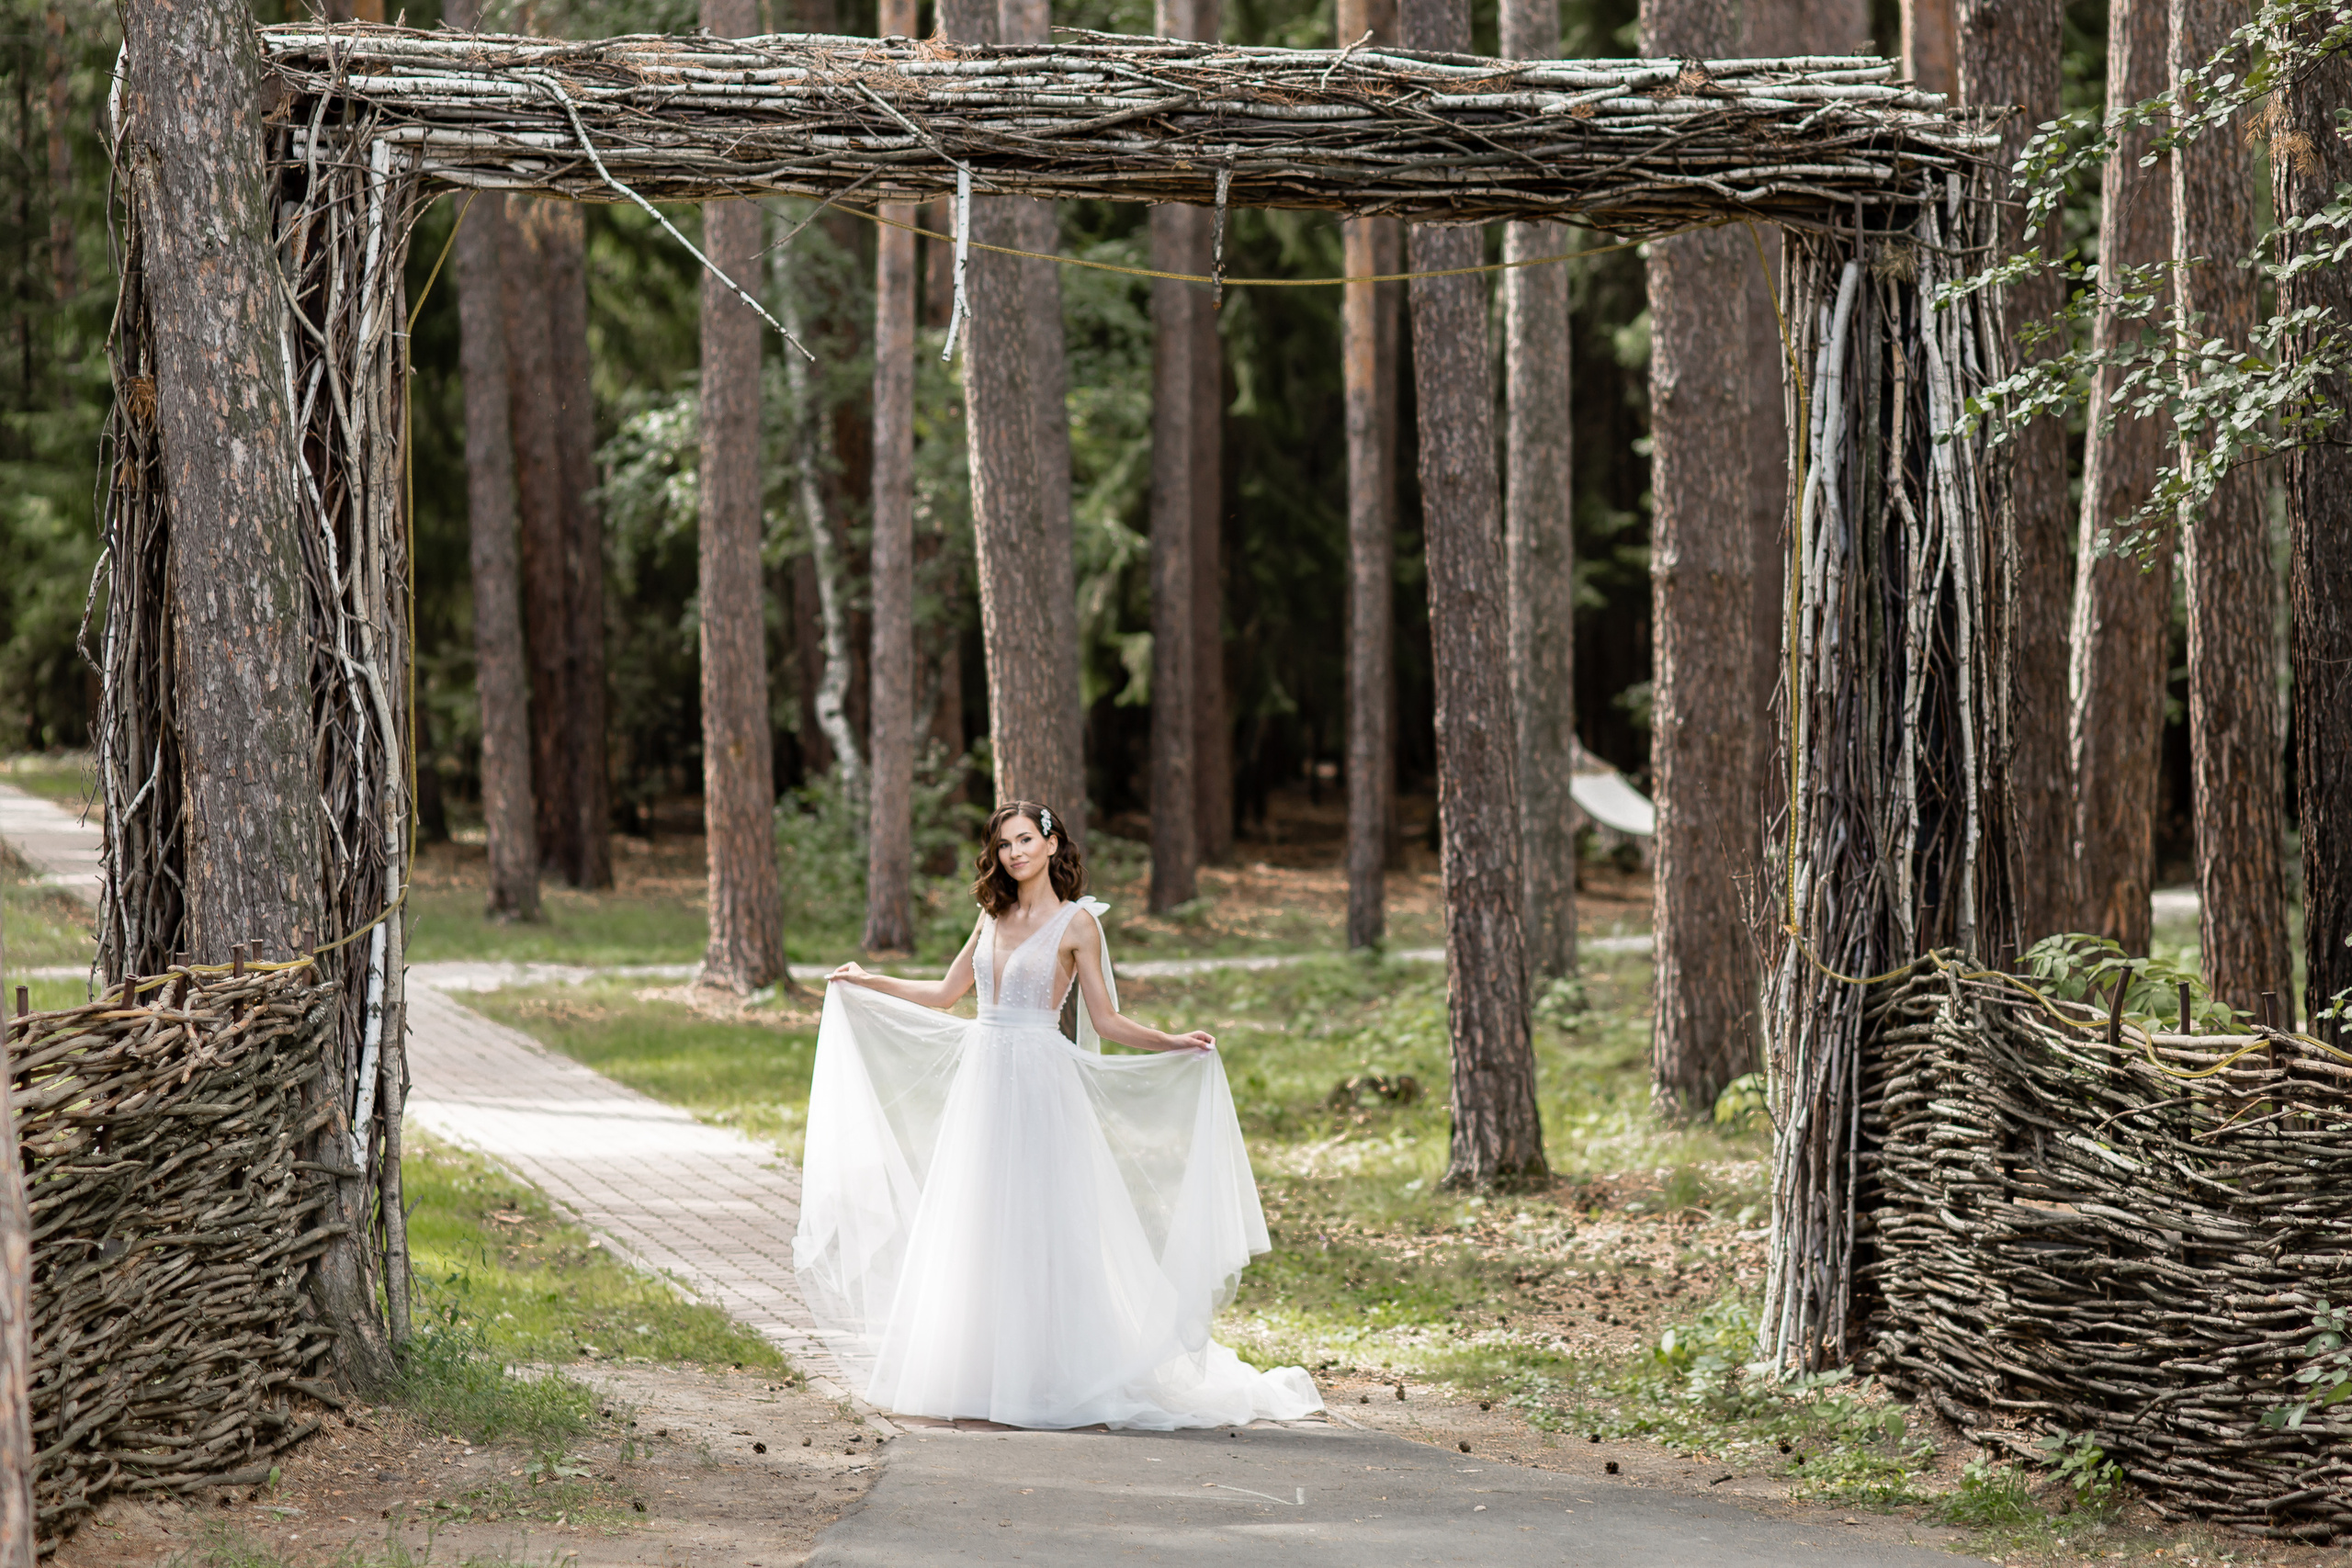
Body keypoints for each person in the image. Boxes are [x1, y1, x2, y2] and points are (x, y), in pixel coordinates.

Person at [794, 800, 1323, 1430]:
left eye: (1025, 840)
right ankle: (978, 1373)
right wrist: (866, 979)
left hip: (1041, 1082)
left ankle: (1051, 1373)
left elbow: (1105, 1020)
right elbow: (944, 994)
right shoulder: (991, 915)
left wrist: (1174, 1041)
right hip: (984, 1080)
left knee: (1044, 1221)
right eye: (1004, 844)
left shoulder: (1077, 925)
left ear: (1051, 844)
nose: (1014, 853)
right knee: (978, 1217)